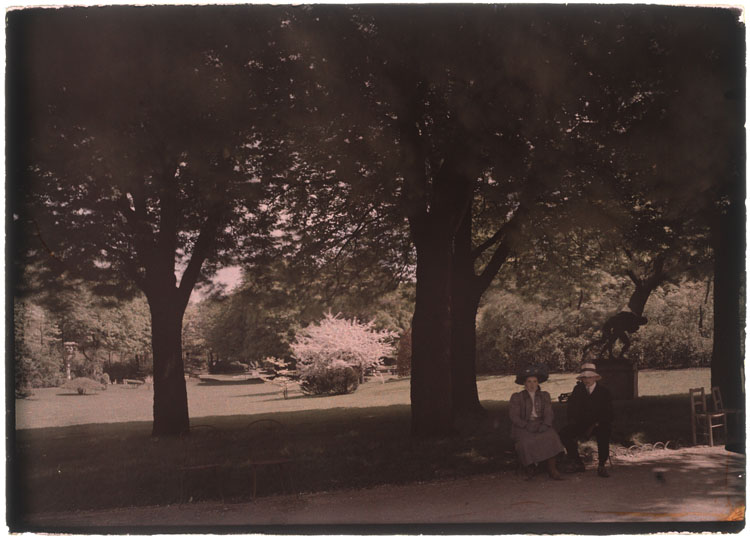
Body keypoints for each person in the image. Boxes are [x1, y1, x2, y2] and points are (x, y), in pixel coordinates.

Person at [509, 363, 564, 480]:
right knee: (525, 441)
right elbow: (514, 416)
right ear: (524, 383)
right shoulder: (517, 397)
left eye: (534, 381)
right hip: (522, 426)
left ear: (538, 383)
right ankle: (530, 467)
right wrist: (526, 425)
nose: (532, 384)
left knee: (551, 436)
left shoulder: (544, 396)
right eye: (529, 381)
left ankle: (552, 469)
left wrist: (545, 425)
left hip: (540, 424)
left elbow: (549, 413)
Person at [559, 362, 614, 478]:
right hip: (582, 423)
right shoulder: (578, 390)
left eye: (589, 377)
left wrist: (597, 423)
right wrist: (574, 421)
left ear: (595, 377)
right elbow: (572, 408)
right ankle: (578, 462)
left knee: (604, 431)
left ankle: (601, 464)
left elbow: (608, 413)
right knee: (564, 433)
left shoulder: (604, 392)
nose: (587, 380)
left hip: (599, 423)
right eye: (584, 377)